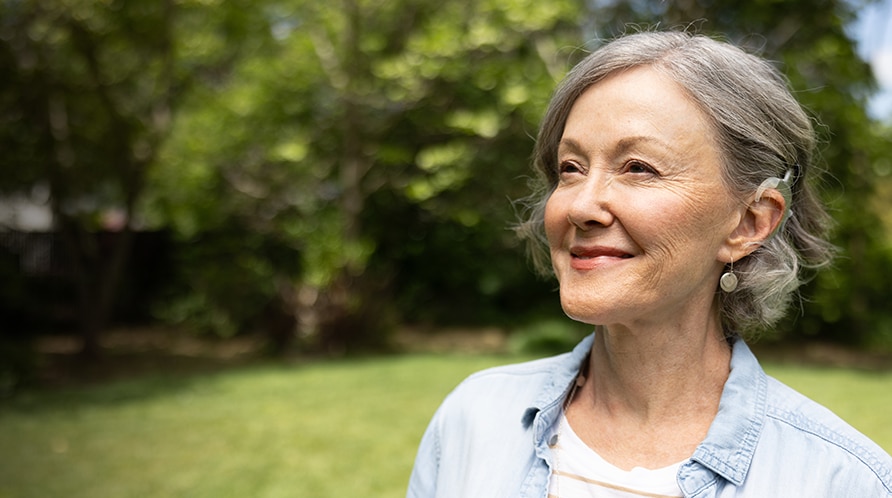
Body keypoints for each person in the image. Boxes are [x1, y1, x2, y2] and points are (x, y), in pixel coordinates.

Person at [406, 31, 892, 497]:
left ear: (749, 222)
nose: (580, 206)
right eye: (571, 168)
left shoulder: (846, 481)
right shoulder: (472, 419)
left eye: (639, 168)